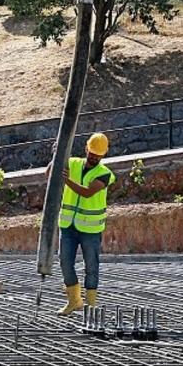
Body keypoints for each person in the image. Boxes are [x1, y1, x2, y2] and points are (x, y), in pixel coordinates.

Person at [56, 132, 115, 315]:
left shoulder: (105, 174)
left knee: (91, 267)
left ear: (103, 154)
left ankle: (91, 306)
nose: (94, 157)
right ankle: (74, 300)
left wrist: (67, 181)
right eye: (92, 153)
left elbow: (88, 192)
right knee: (65, 262)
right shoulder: (72, 163)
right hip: (68, 226)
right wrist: (56, 158)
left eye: (98, 154)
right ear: (86, 149)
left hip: (91, 229)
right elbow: (49, 173)